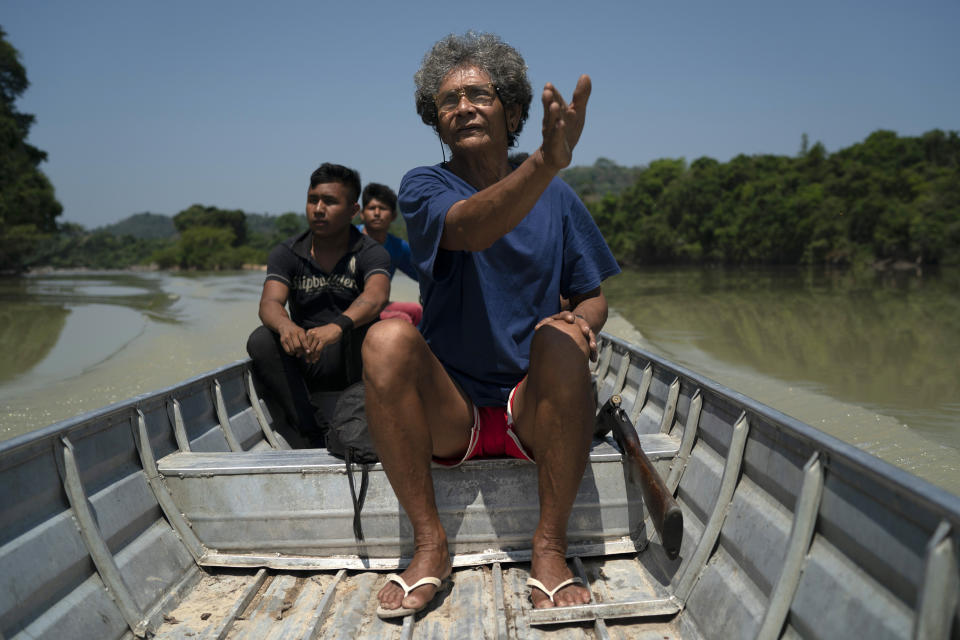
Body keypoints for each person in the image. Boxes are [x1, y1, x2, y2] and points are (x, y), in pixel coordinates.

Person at [362, 32, 620, 618]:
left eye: (478, 95)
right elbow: (469, 228)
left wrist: (580, 323)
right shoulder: (425, 186)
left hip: (533, 406)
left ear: (516, 111)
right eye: (448, 101)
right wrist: (544, 162)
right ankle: (430, 546)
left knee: (558, 336)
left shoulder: (557, 197)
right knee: (384, 339)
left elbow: (593, 296)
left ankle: (549, 548)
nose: (462, 108)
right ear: (436, 120)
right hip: (451, 411)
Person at [246, 163, 391, 446]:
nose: (319, 208)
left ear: (353, 210)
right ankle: (311, 431)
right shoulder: (287, 253)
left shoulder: (370, 252)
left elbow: (376, 297)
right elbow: (270, 302)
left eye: (330, 201)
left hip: (353, 358)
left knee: (379, 333)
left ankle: (365, 418)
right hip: (308, 354)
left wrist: (337, 327)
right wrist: (287, 327)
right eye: (313, 200)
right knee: (262, 339)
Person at [357, 183, 423, 325]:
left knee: (417, 310)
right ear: (362, 214)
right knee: (402, 319)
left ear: (393, 215)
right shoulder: (349, 239)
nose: (376, 213)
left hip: (379, 305)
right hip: (350, 305)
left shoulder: (397, 247)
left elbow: (423, 274)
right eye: (371, 208)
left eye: (382, 208)